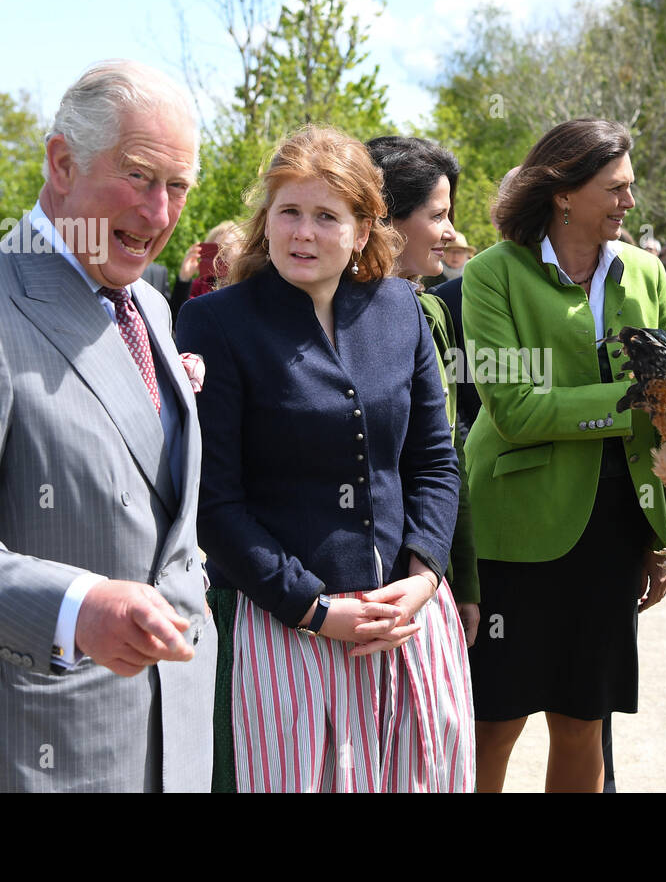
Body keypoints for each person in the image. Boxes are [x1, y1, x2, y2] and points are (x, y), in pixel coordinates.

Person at [0, 60, 216, 791]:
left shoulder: (147, 306)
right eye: (139, 177)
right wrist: (76, 607)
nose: (159, 212)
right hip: (25, 754)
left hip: (164, 740)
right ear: (62, 162)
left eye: (177, 186)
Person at [176, 125, 472, 793]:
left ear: (364, 229)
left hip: (407, 624)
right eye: (289, 212)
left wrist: (423, 578)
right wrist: (313, 609)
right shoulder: (217, 324)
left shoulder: (401, 308)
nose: (303, 234)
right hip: (282, 632)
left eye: (326, 217)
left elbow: (434, 460)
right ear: (266, 220)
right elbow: (213, 502)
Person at [464, 118, 666, 793]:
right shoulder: (492, 274)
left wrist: (664, 525)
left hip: (614, 529)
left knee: (584, 717)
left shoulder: (647, 273)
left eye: (632, 187)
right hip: (513, 531)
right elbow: (516, 410)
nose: (630, 202)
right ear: (563, 192)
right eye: (616, 188)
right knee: (493, 722)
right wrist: (629, 399)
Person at [366, 134, 481, 647]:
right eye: (436, 216)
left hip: (425, 579)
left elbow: (444, 453)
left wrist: (461, 578)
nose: (451, 232)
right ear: (386, 219)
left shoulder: (429, 311)